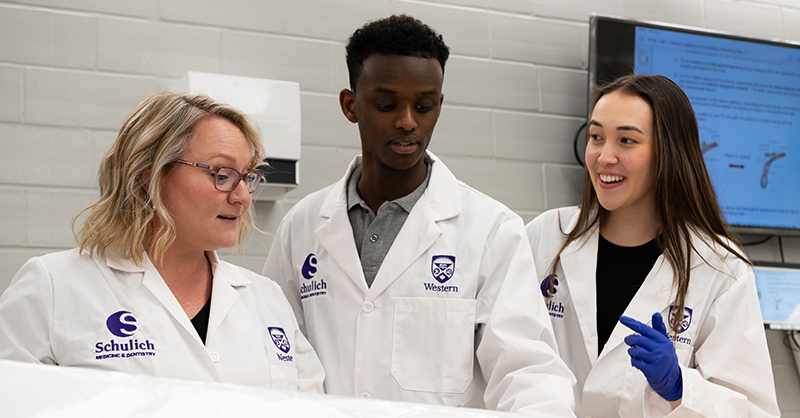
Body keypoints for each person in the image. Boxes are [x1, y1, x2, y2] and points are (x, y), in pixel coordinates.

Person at [263, 14, 575, 415]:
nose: (408, 121)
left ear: (439, 105)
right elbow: (274, 354)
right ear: (350, 105)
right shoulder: (301, 226)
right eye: (387, 104)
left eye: (424, 106)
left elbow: (529, 371)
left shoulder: (491, 230)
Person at [0, 92, 325, 392]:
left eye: (247, 177)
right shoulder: (53, 288)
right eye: (222, 175)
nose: (241, 197)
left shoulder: (267, 300)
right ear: (149, 175)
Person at [526, 74, 780, 417]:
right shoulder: (546, 236)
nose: (604, 157)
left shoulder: (720, 267)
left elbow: (755, 411)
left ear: (669, 154)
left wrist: (679, 388)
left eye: (627, 141)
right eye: (596, 137)